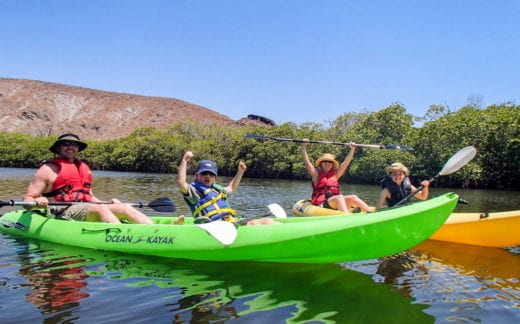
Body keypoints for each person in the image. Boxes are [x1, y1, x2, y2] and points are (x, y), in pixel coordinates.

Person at [23, 133, 155, 224]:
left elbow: (89, 197)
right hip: (61, 211)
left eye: (74, 144)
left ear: (78, 149)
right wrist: (38, 200)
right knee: (100, 209)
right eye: (66, 144)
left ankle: (153, 229)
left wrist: (108, 203)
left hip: (84, 207)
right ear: (58, 148)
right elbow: (28, 198)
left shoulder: (82, 168)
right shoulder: (47, 169)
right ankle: (124, 235)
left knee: (124, 207)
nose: (71, 147)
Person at [177, 151, 280, 225]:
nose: (207, 176)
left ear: (215, 178)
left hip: (229, 222)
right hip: (211, 226)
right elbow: (181, 183)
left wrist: (240, 172)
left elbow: (232, 188)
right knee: (254, 224)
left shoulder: (217, 190)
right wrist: (184, 160)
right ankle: (177, 225)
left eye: (211, 174)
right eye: (204, 173)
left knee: (267, 221)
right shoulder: (194, 191)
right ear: (197, 176)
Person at [302, 139, 372, 212]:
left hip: (335, 202)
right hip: (322, 204)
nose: (327, 163)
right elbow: (307, 163)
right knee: (340, 197)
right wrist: (304, 147)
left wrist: (352, 149)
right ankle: (346, 216)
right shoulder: (316, 175)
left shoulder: (335, 175)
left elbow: (345, 163)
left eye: (330, 162)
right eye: (324, 161)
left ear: (332, 164)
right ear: (321, 163)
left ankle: (371, 213)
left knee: (353, 197)